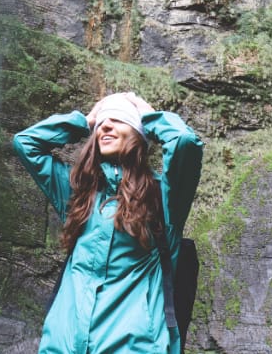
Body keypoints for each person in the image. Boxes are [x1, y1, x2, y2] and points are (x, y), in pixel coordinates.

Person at [12, 91, 204, 354]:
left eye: (119, 119)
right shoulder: (78, 194)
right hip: (62, 344)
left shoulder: (164, 198)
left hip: (133, 346)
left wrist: (146, 113)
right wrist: (85, 121)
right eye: (102, 122)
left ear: (139, 133)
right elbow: (25, 143)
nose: (106, 125)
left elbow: (184, 142)